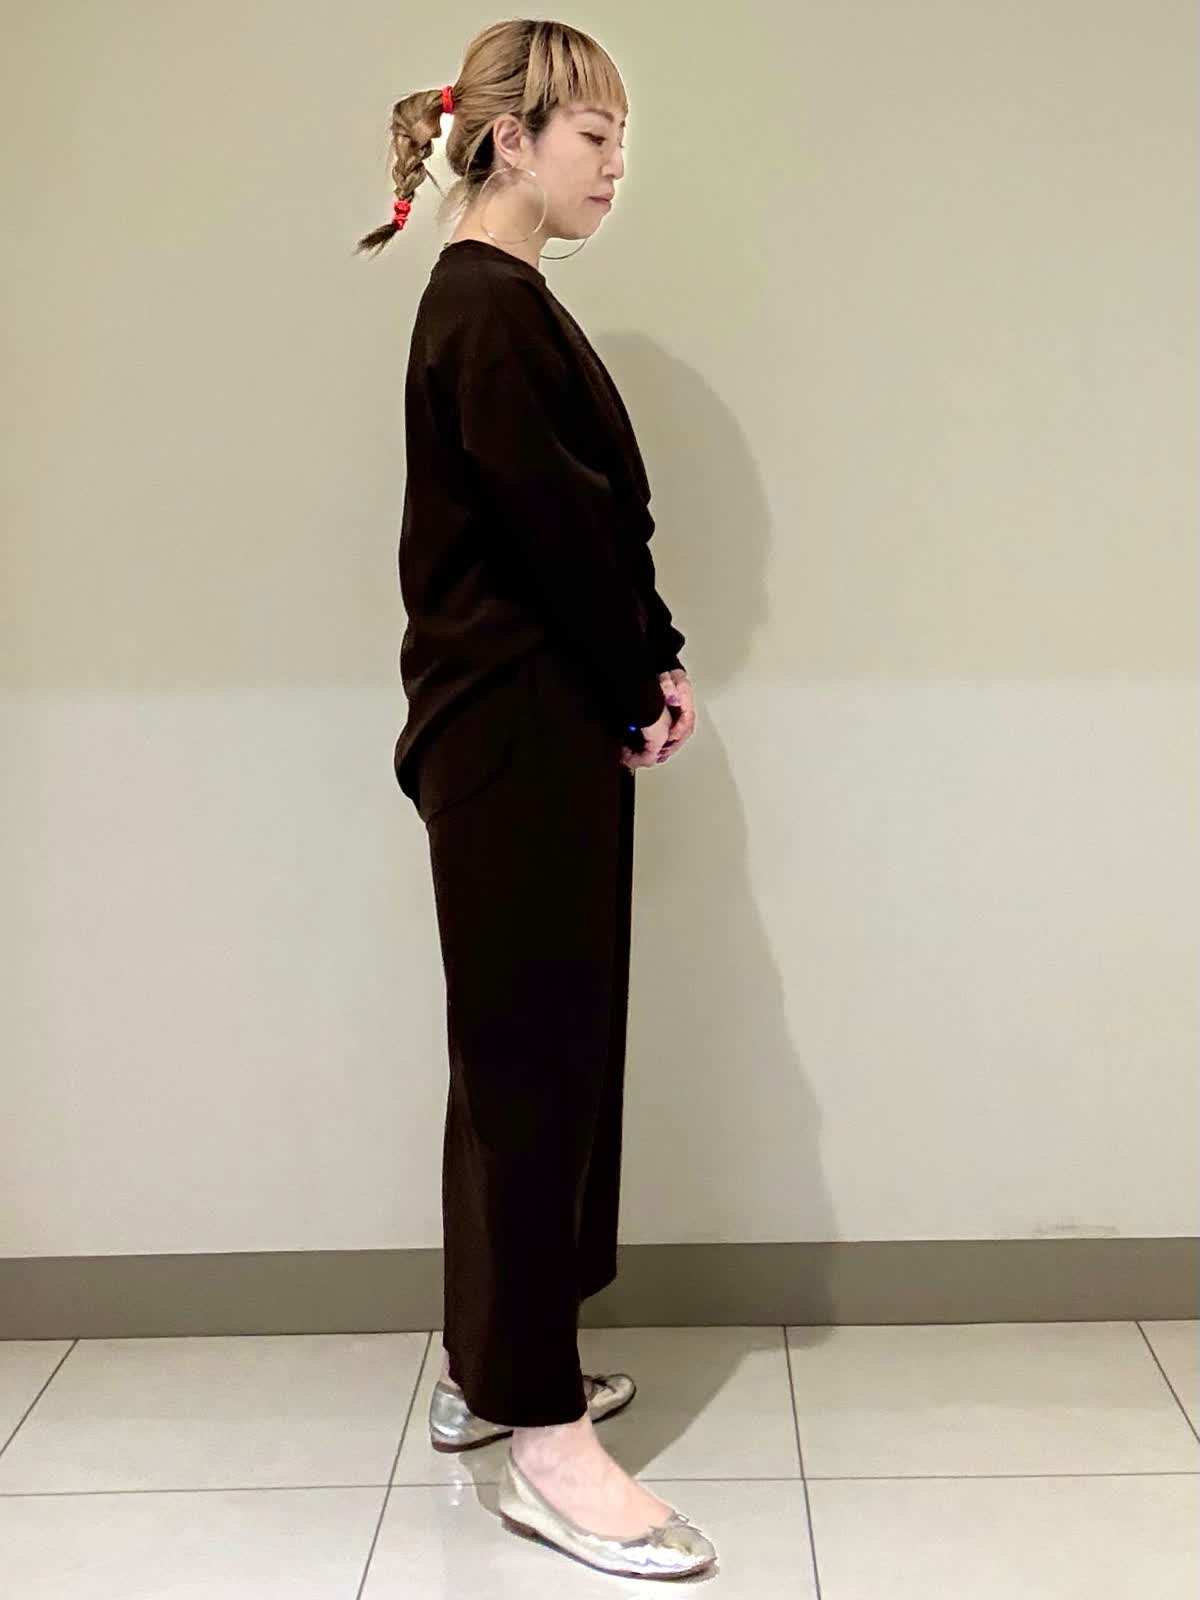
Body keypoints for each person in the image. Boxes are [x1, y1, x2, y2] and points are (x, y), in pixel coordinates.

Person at [356, 19, 716, 1580]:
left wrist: (648, 663)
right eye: (595, 140)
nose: (617, 168)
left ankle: (492, 1365)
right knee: (532, 1060)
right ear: (512, 141)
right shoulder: (489, 308)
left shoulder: (496, 299)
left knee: (521, 1052)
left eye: (622, 143)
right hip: (516, 729)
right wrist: (644, 673)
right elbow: (564, 538)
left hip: (525, 726)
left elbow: (575, 527)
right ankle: (543, 1437)